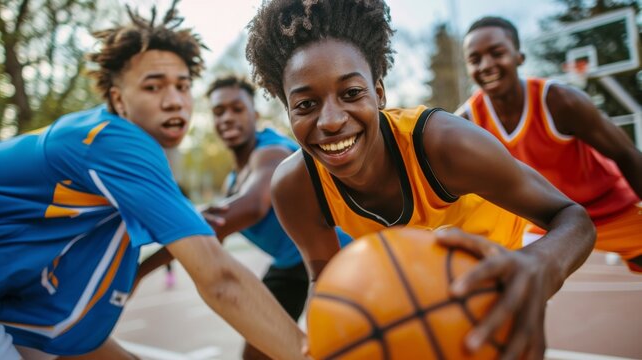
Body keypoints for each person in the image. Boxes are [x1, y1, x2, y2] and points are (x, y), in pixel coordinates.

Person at [245, 0, 596, 358]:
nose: (331, 120)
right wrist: (325, 338)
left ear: (378, 93)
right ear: (286, 109)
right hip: (410, 283)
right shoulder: (296, 187)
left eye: (351, 93)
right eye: (305, 104)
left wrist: (539, 263)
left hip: (494, 273)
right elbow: (325, 277)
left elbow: (572, 218)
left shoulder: (447, 145)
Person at [0, 3, 306, 359]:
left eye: (183, 86)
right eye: (153, 86)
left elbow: (73, 340)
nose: (175, 101)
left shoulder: (107, 186)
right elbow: (220, 279)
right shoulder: (114, 142)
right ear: (118, 99)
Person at [138, 75, 352, 360]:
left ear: (255, 114)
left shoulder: (272, 153)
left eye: (237, 109)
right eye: (218, 111)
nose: (227, 117)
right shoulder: (231, 182)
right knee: (258, 352)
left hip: (336, 257)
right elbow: (202, 238)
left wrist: (139, 272)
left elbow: (252, 207)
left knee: (354, 345)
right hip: (290, 266)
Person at [457, 16, 642, 271]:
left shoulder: (560, 101)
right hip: (546, 219)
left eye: (497, 53)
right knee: (508, 287)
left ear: (519, 56)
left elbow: (626, 153)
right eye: (474, 59)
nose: (486, 65)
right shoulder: (466, 122)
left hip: (608, 208)